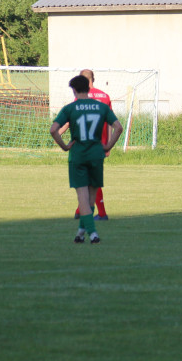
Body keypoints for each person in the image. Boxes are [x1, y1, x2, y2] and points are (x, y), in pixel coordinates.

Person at [50, 75, 123, 243]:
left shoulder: (69, 108)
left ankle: (93, 233)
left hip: (78, 155)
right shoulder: (101, 107)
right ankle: (81, 233)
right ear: (89, 88)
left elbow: (54, 130)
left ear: (74, 90)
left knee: (82, 196)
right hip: (97, 154)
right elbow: (118, 127)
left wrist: (64, 146)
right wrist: (108, 146)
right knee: (91, 196)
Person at [60, 69, 114, 220]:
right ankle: (81, 211)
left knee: (86, 180)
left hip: (83, 144)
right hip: (100, 144)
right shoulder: (105, 96)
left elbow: (73, 119)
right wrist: (108, 144)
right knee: (91, 179)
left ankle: (98, 214)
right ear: (93, 79)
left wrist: (60, 133)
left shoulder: (81, 97)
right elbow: (111, 123)